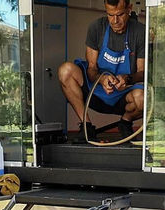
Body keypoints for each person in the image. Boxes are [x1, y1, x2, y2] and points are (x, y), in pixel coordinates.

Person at [57, 0, 145, 143]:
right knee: (65, 70)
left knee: (143, 99)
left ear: (129, 8)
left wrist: (127, 79)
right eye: (110, 15)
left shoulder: (140, 32)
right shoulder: (97, 27)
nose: (115, 21)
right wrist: (102, 79)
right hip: (97, 91)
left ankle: (125, 122)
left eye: (120, 14)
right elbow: (91, 68)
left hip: (125, 94)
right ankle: (87, 127)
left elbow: (142, 72)